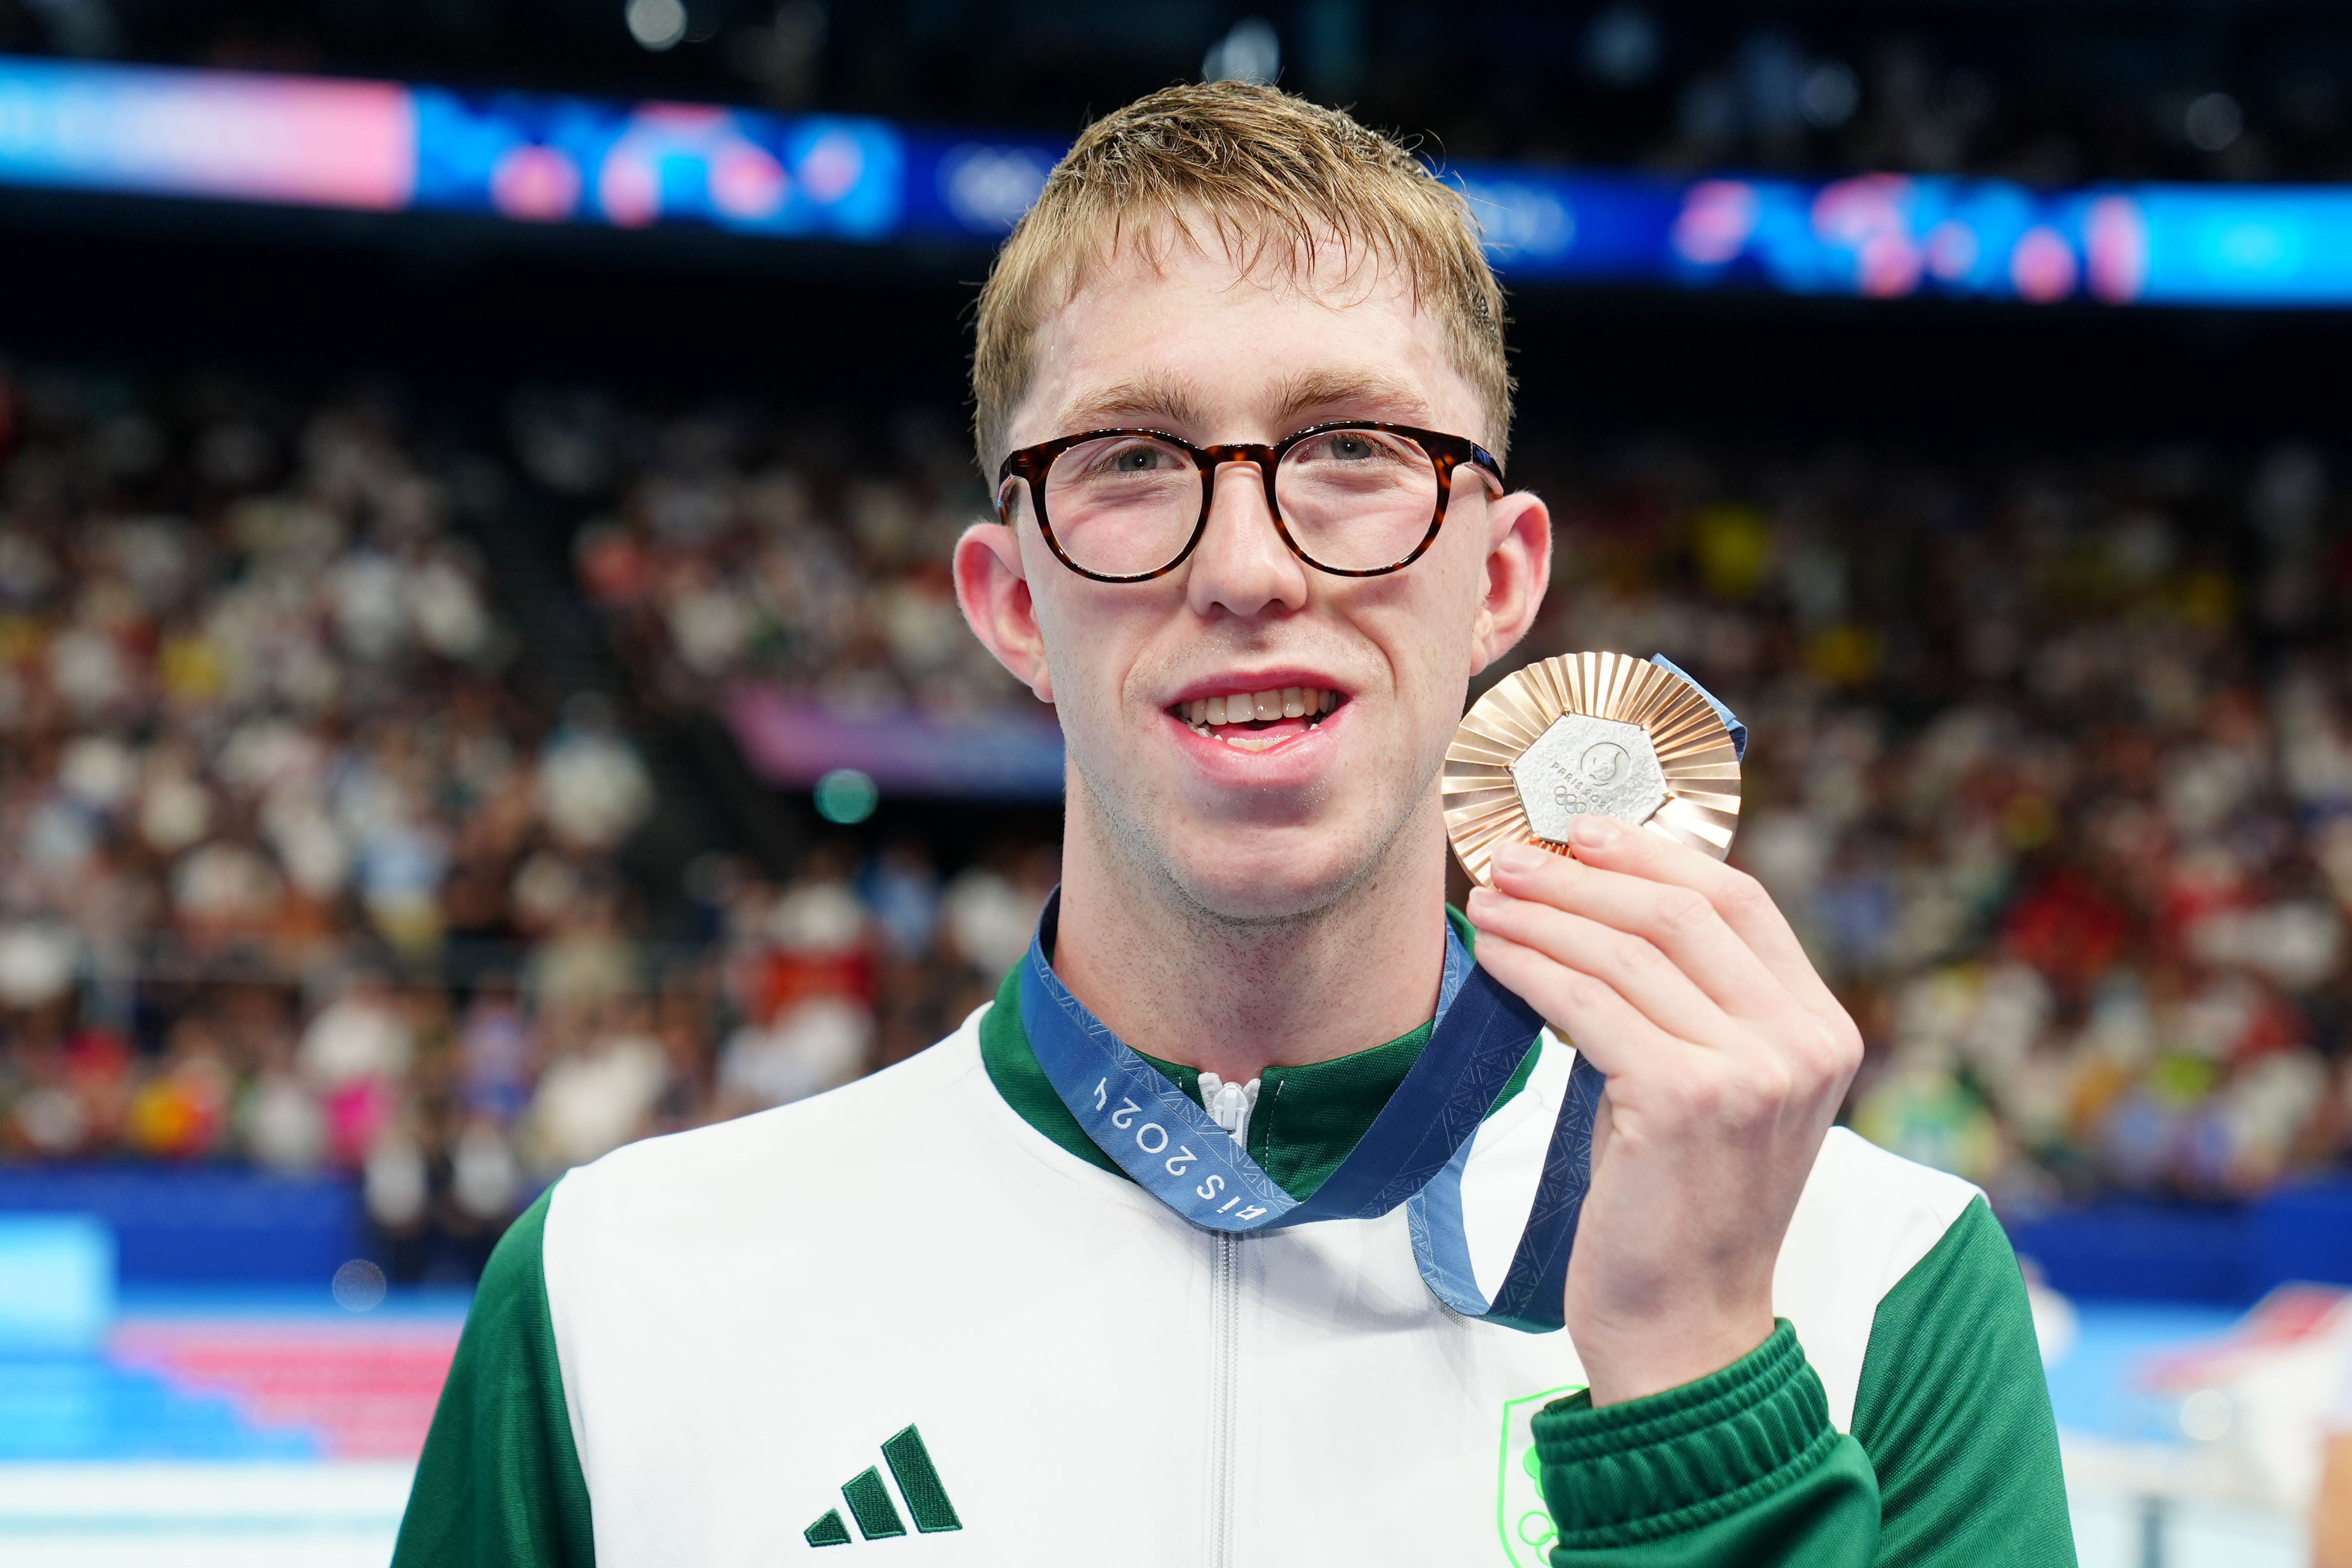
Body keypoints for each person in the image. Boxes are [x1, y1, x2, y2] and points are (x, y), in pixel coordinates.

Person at [392, 84, 2073, 1566]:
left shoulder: (1883, 1289)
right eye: (1131, 457)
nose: (1252, 565)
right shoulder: (617, 1297)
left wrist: (1705, 1394)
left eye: (1351, 447)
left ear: (1500, 575)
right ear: (1010, 603)